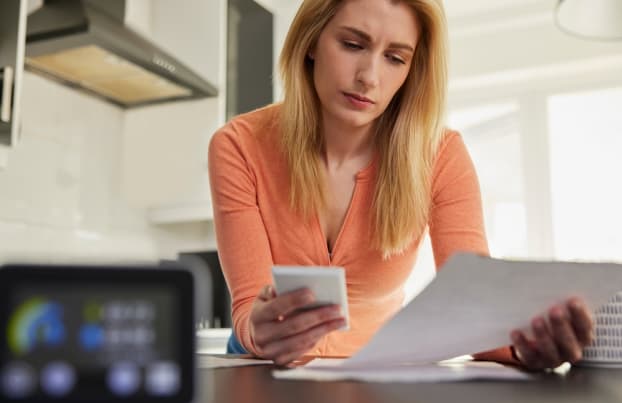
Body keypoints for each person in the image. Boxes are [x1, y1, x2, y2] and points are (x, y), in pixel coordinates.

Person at [208, 0, 594, 369]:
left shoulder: (441, 156)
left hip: (375, 373)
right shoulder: (239, 146)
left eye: (395, 58)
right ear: (310, 41)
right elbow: (247, 309)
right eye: (352, 44)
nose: (369, 77)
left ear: (413, 68)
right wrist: (260, 331)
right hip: (261, 367)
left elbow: (474, 310)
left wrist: (525, 344)